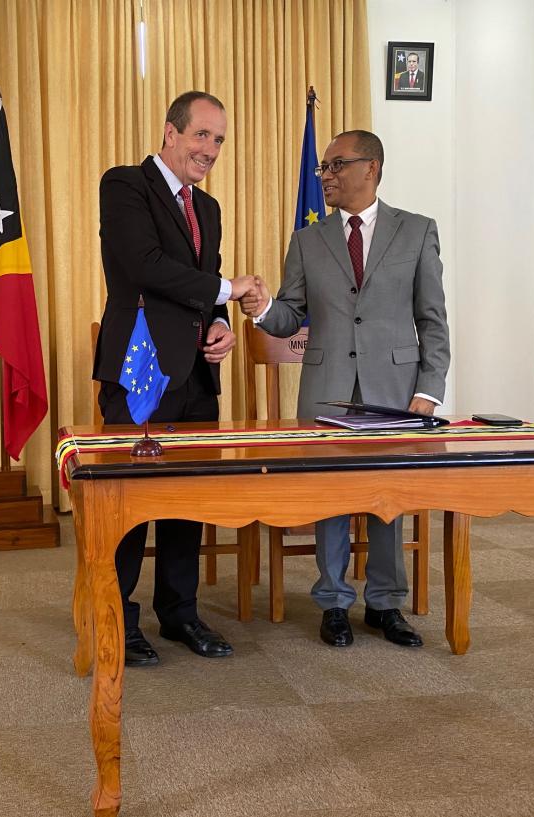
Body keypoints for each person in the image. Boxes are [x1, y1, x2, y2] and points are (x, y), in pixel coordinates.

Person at [239, 130, 449, 649]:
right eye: (323, 168)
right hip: (327, 389)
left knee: (386, 499)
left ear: (370, 168)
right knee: (329, 494)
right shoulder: (307, 240)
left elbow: (432, 319)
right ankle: (333, 601)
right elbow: (290, 315)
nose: (326, 176)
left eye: (336, 165)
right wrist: (264, 309)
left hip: (395, 390)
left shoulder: (417, 230)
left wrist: (429, 390)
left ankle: (385, 604)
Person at [94, 91, 260, 667]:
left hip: (194, 376)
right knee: (128, 503)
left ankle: (179, 612)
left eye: (219, 139)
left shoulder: (207, 208)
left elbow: (202, 284)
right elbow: (145, 266)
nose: (210, 149)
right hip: (139, 370)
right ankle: (116, 616)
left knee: (187, 500)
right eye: (201, 135)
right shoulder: (124, 185)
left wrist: (220, 324)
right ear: (171, 132)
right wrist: (230, 292)